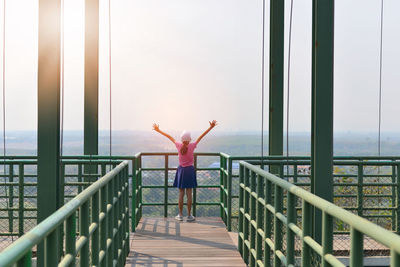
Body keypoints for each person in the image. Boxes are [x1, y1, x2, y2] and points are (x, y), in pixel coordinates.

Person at [152, 120, 218, 221]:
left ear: (182, 139)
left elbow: (169, 137)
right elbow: (201, 136)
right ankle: (189, 215)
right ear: (189, 139)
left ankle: (180, 215)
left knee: (181, 194)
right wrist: (211, 127)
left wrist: (158, 130)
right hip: (190, 171)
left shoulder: (178, 145)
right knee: (189, 193)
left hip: (181, 171)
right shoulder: (192, 146)